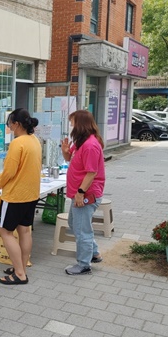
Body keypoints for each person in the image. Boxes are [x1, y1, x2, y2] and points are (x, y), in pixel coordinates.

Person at [0, 109, 41, 285]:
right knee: (25, 230)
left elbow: (9, 172)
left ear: (17, 124)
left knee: (5, 231)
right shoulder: (34, 140)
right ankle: (21, 267)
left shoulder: (17, 143)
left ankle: (19, 273)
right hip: (31, 193)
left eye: (9, 123)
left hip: (15, 196)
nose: (9, 127)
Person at [61, 110, 105, 275]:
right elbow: (69, 159)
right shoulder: (80, 142)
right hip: (78, 193)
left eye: (72, 122)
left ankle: (84, 264)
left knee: (81, 230)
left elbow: (91, 173)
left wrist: (80, 192)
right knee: (75, 224)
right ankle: (94, 253)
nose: (71, 125)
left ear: (80, 124)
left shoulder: (90, 145)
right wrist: (65, 151)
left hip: (86, 194)